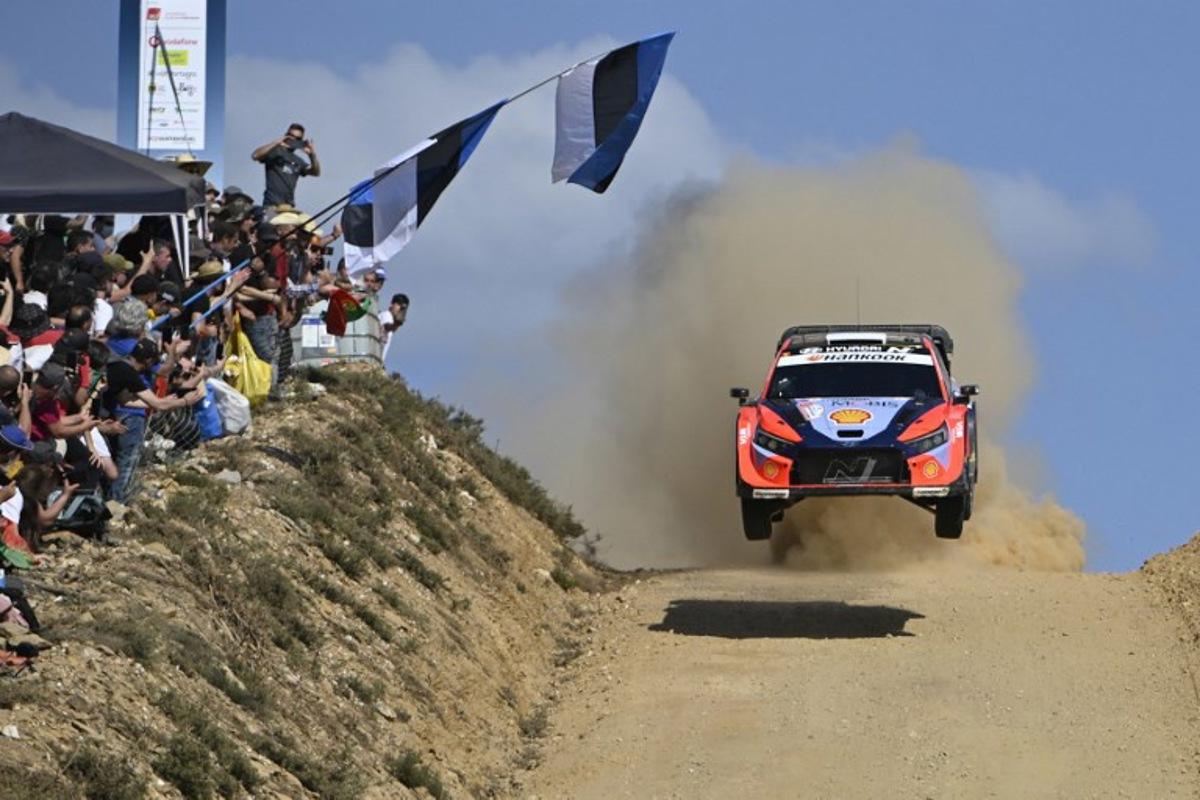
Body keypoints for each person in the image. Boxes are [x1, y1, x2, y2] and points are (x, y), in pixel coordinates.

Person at [101, 338, 201, 503]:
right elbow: (158, 404)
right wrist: (183, 402)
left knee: (115, 459)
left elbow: (125, 400)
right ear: (148, 360)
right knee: (127, 462)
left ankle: (110, 499)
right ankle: (116, 502)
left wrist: (166, 400)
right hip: (109, 419)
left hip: (108, 416)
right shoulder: (129, 374)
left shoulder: (119, 365)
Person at [251, 123, 321, 208]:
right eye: (290, 135)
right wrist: (277, 142)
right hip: (271, 205)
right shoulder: (274, 151)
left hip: (288, 207)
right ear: (286, 135)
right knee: (268, 221)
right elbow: (255, 155)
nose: (293, 139)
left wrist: (312, 155)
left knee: (302, 221)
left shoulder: (298, 160)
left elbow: (316, 172)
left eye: (297, 138)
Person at [378, 293, 409, 362]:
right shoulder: (387, 314)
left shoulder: (391, 319)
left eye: (403, 308)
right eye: (398, 304)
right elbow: (387, 327)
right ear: (391, 304)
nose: (400, 309)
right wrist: (397, 324)